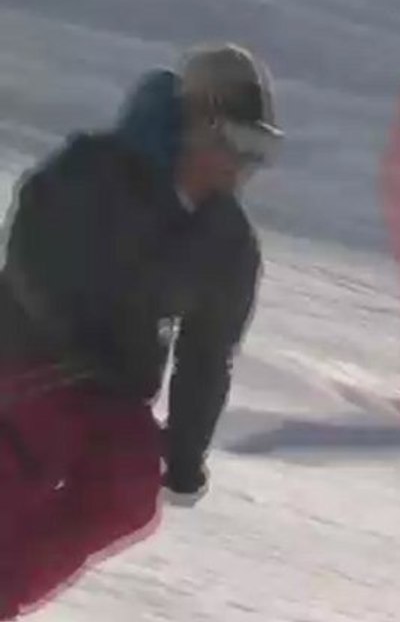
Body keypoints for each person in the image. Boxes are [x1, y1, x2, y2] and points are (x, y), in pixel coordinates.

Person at [0, 43, 282, 618]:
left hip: (111, 386)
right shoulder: (99, 172)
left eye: (261, 149)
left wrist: (185, 452)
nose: (244, 165)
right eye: (238, 141)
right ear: (198, 124)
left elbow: (208, 354)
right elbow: (31, 245)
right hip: (28, 359)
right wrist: (70, 332)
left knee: (128, 489)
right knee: (25, 468)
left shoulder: (226, 242)